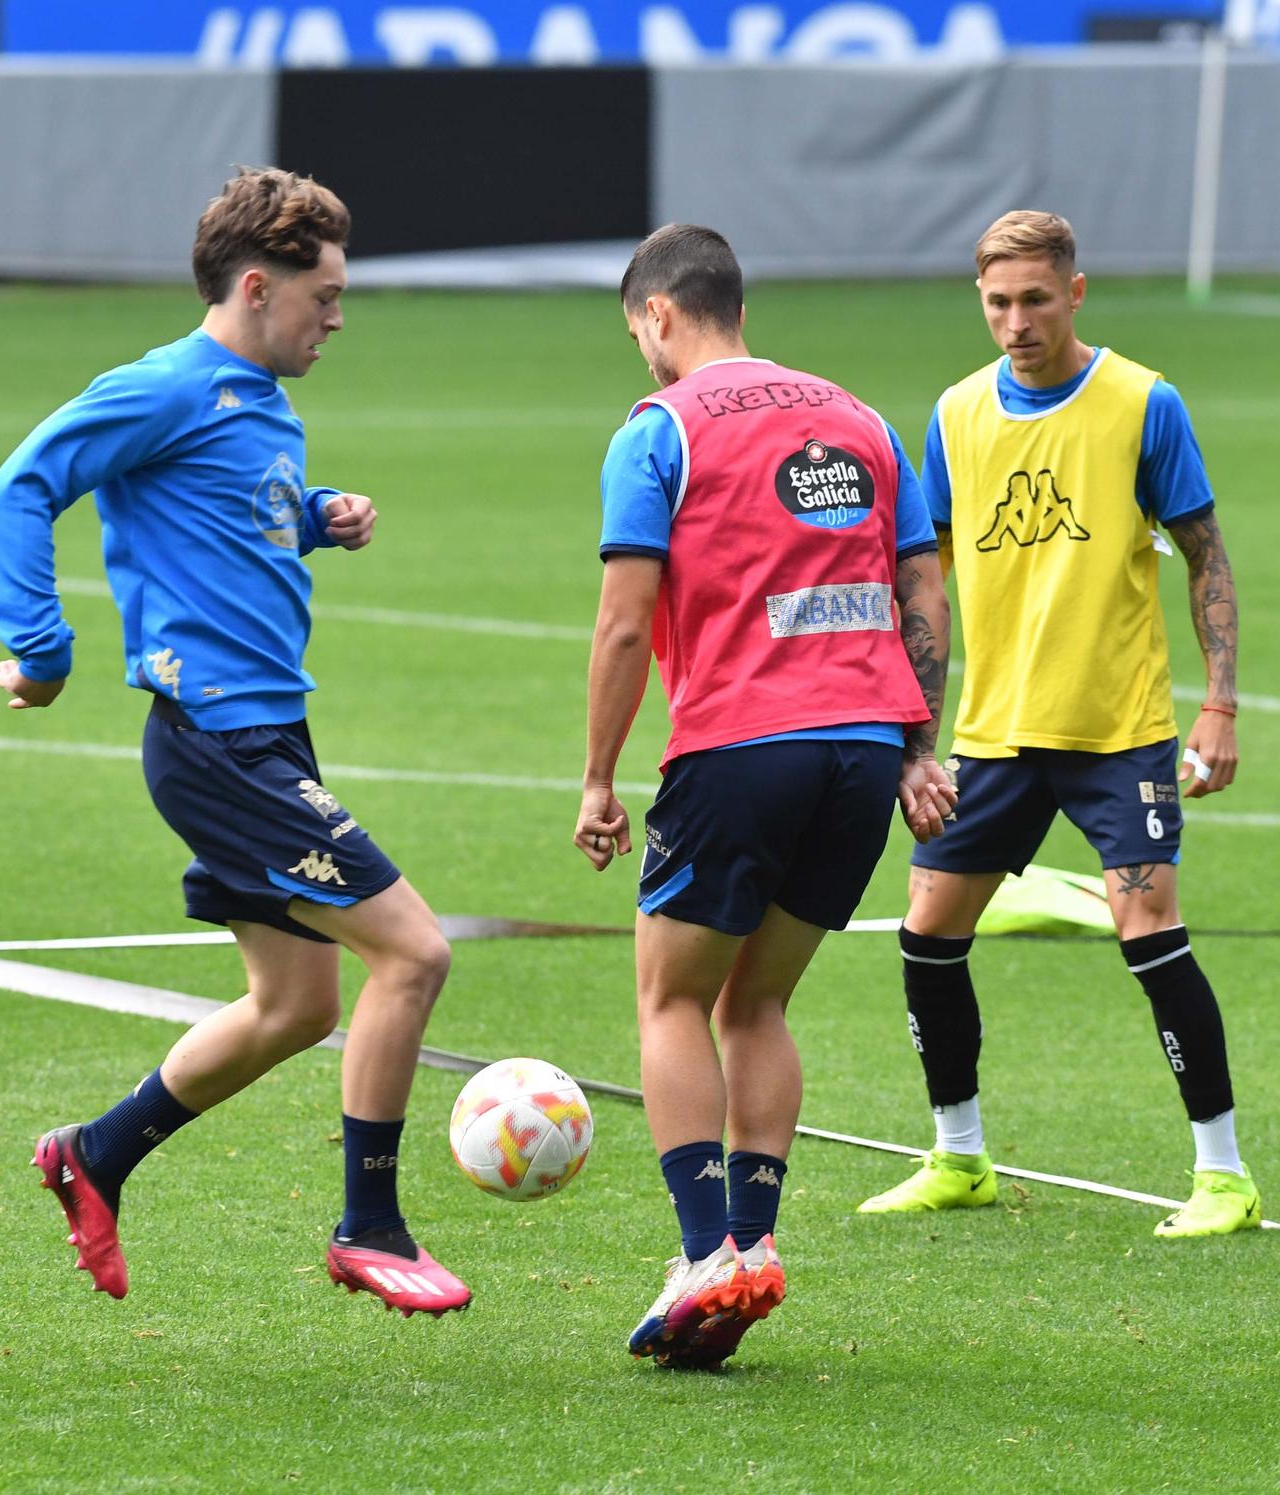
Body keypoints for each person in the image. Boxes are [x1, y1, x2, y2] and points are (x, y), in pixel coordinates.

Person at [0, 167, 468, 1315]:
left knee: (296, 1004)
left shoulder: (263, 399)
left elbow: (223, 516)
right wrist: (40, 653)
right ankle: (371, 1225)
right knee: (413, 953)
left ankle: (93, 1155)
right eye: (325, 296)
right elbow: (20, 485)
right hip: (216, 743)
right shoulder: (163, 387)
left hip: (271, 735)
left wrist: (316, 517)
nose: (338, 318)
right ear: (257, 286)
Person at [576, 224, 957, 1368]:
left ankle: (706, 1252)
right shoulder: (858, 419)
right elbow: (922, 585)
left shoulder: (659, 431)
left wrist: (598, 775)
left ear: (657, 316)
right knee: (757, 1005)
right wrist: (915, 744)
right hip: (856, 758)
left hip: (739, 747)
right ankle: (748, 1241)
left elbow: (624, 620)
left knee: (668, 999)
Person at [858, 210, 1260, 1238]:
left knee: (1148, 929)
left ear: (1073, 293)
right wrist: (915, 738)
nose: (1014, 321)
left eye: (1034, 299)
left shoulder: (1141, 403)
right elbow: (927, 586)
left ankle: (1221, 1174)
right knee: (927, 934)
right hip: (994, 734)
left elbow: (1204, 553)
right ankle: (957, 1156)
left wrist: (1215, 703)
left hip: (1117, 729)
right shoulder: (952, 416)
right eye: (996, 302)